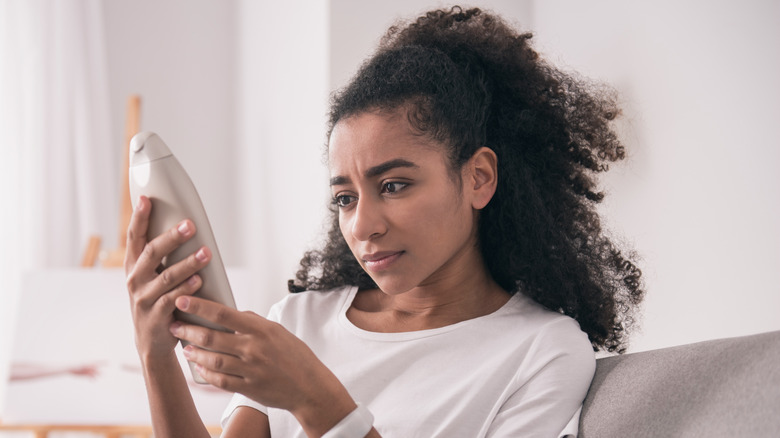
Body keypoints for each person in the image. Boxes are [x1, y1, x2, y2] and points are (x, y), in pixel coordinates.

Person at [124, 6, 643, 437]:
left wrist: (315, 398)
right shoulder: (299, 323)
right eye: (345, 198)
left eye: (393, 186)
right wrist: (155, 353)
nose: (362, 225)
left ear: (478, 178)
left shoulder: (542, 351)